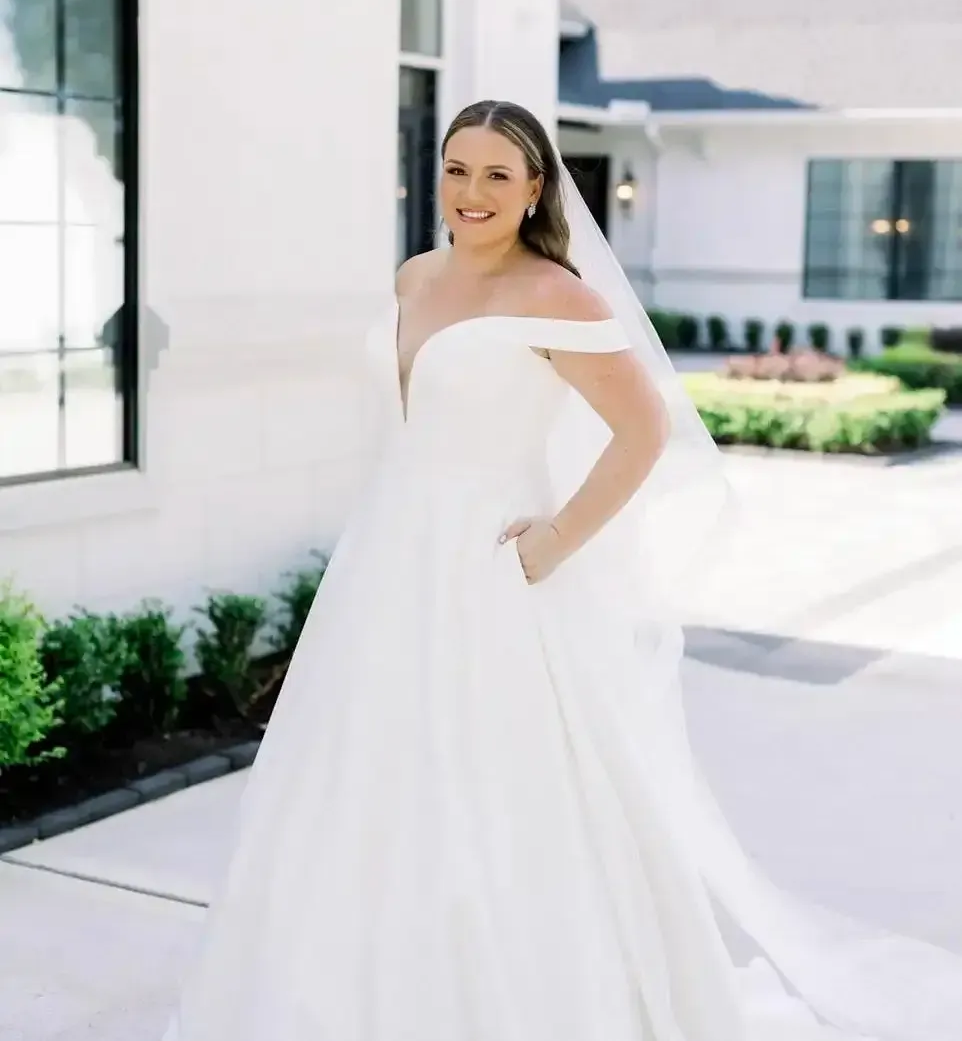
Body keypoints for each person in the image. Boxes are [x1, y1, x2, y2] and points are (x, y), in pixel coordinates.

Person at [163, 101, 962, 1041]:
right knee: (366, 776)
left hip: (496, 566)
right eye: (458, 170)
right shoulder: (416, 275)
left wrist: (557, 539)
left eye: (499, 175)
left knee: (500, 784)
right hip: (391, 556)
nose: (472, 193)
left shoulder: (559, 296)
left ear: (536, 187)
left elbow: (645, 430)